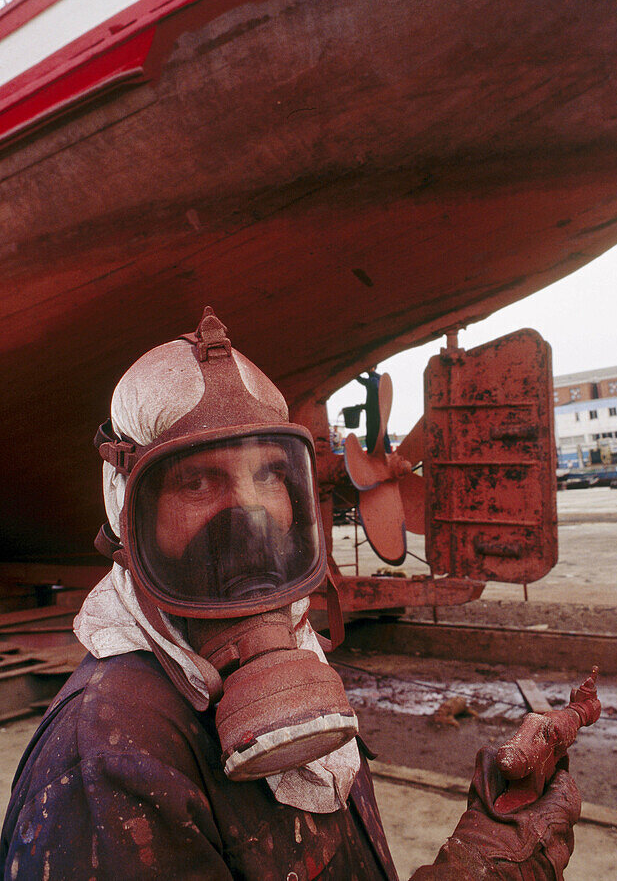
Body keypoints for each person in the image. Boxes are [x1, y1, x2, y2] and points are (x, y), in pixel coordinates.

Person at [1, 308, 580, 879]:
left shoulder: (302, 665)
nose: (248, 517)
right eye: (197, 480)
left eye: (267, 476)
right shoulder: (106, 760)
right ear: (128, 512)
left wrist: (487, 853)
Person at [355, 367, 392, 454]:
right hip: (375, 412)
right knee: (376, 435)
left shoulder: (376, 379)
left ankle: (383, 453)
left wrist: (356, 376)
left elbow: (373, 385)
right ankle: (381, 453)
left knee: (377, 435)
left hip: (376, 414)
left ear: (373, 367)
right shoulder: (375, 378)